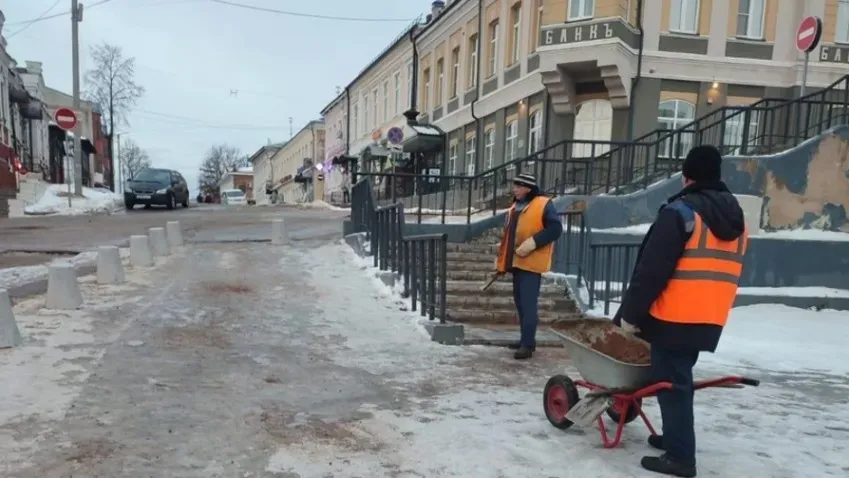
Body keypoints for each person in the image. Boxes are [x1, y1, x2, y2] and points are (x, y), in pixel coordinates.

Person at [613, 145, 748, 477]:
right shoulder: (736, 218)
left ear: (687, 177)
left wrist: (629, 316)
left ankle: (680, 457)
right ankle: (675, 439)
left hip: (673, 316)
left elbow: (651, 272)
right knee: (678, 381)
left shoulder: (682, 213)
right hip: (710, 316)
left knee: (672, 386)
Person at [495, 173, 563, 360]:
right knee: (520, 303)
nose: (514, 189)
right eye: (514, 186)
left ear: (528, 188)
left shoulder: (543, 204)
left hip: (531, 262)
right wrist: (502, 259)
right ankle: (526, 339)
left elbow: (556, 229)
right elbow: (510, 235)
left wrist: (533, 242)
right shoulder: (515, 206)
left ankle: (527, 345)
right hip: (515, 261)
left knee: (528, 303)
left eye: (518, 186)